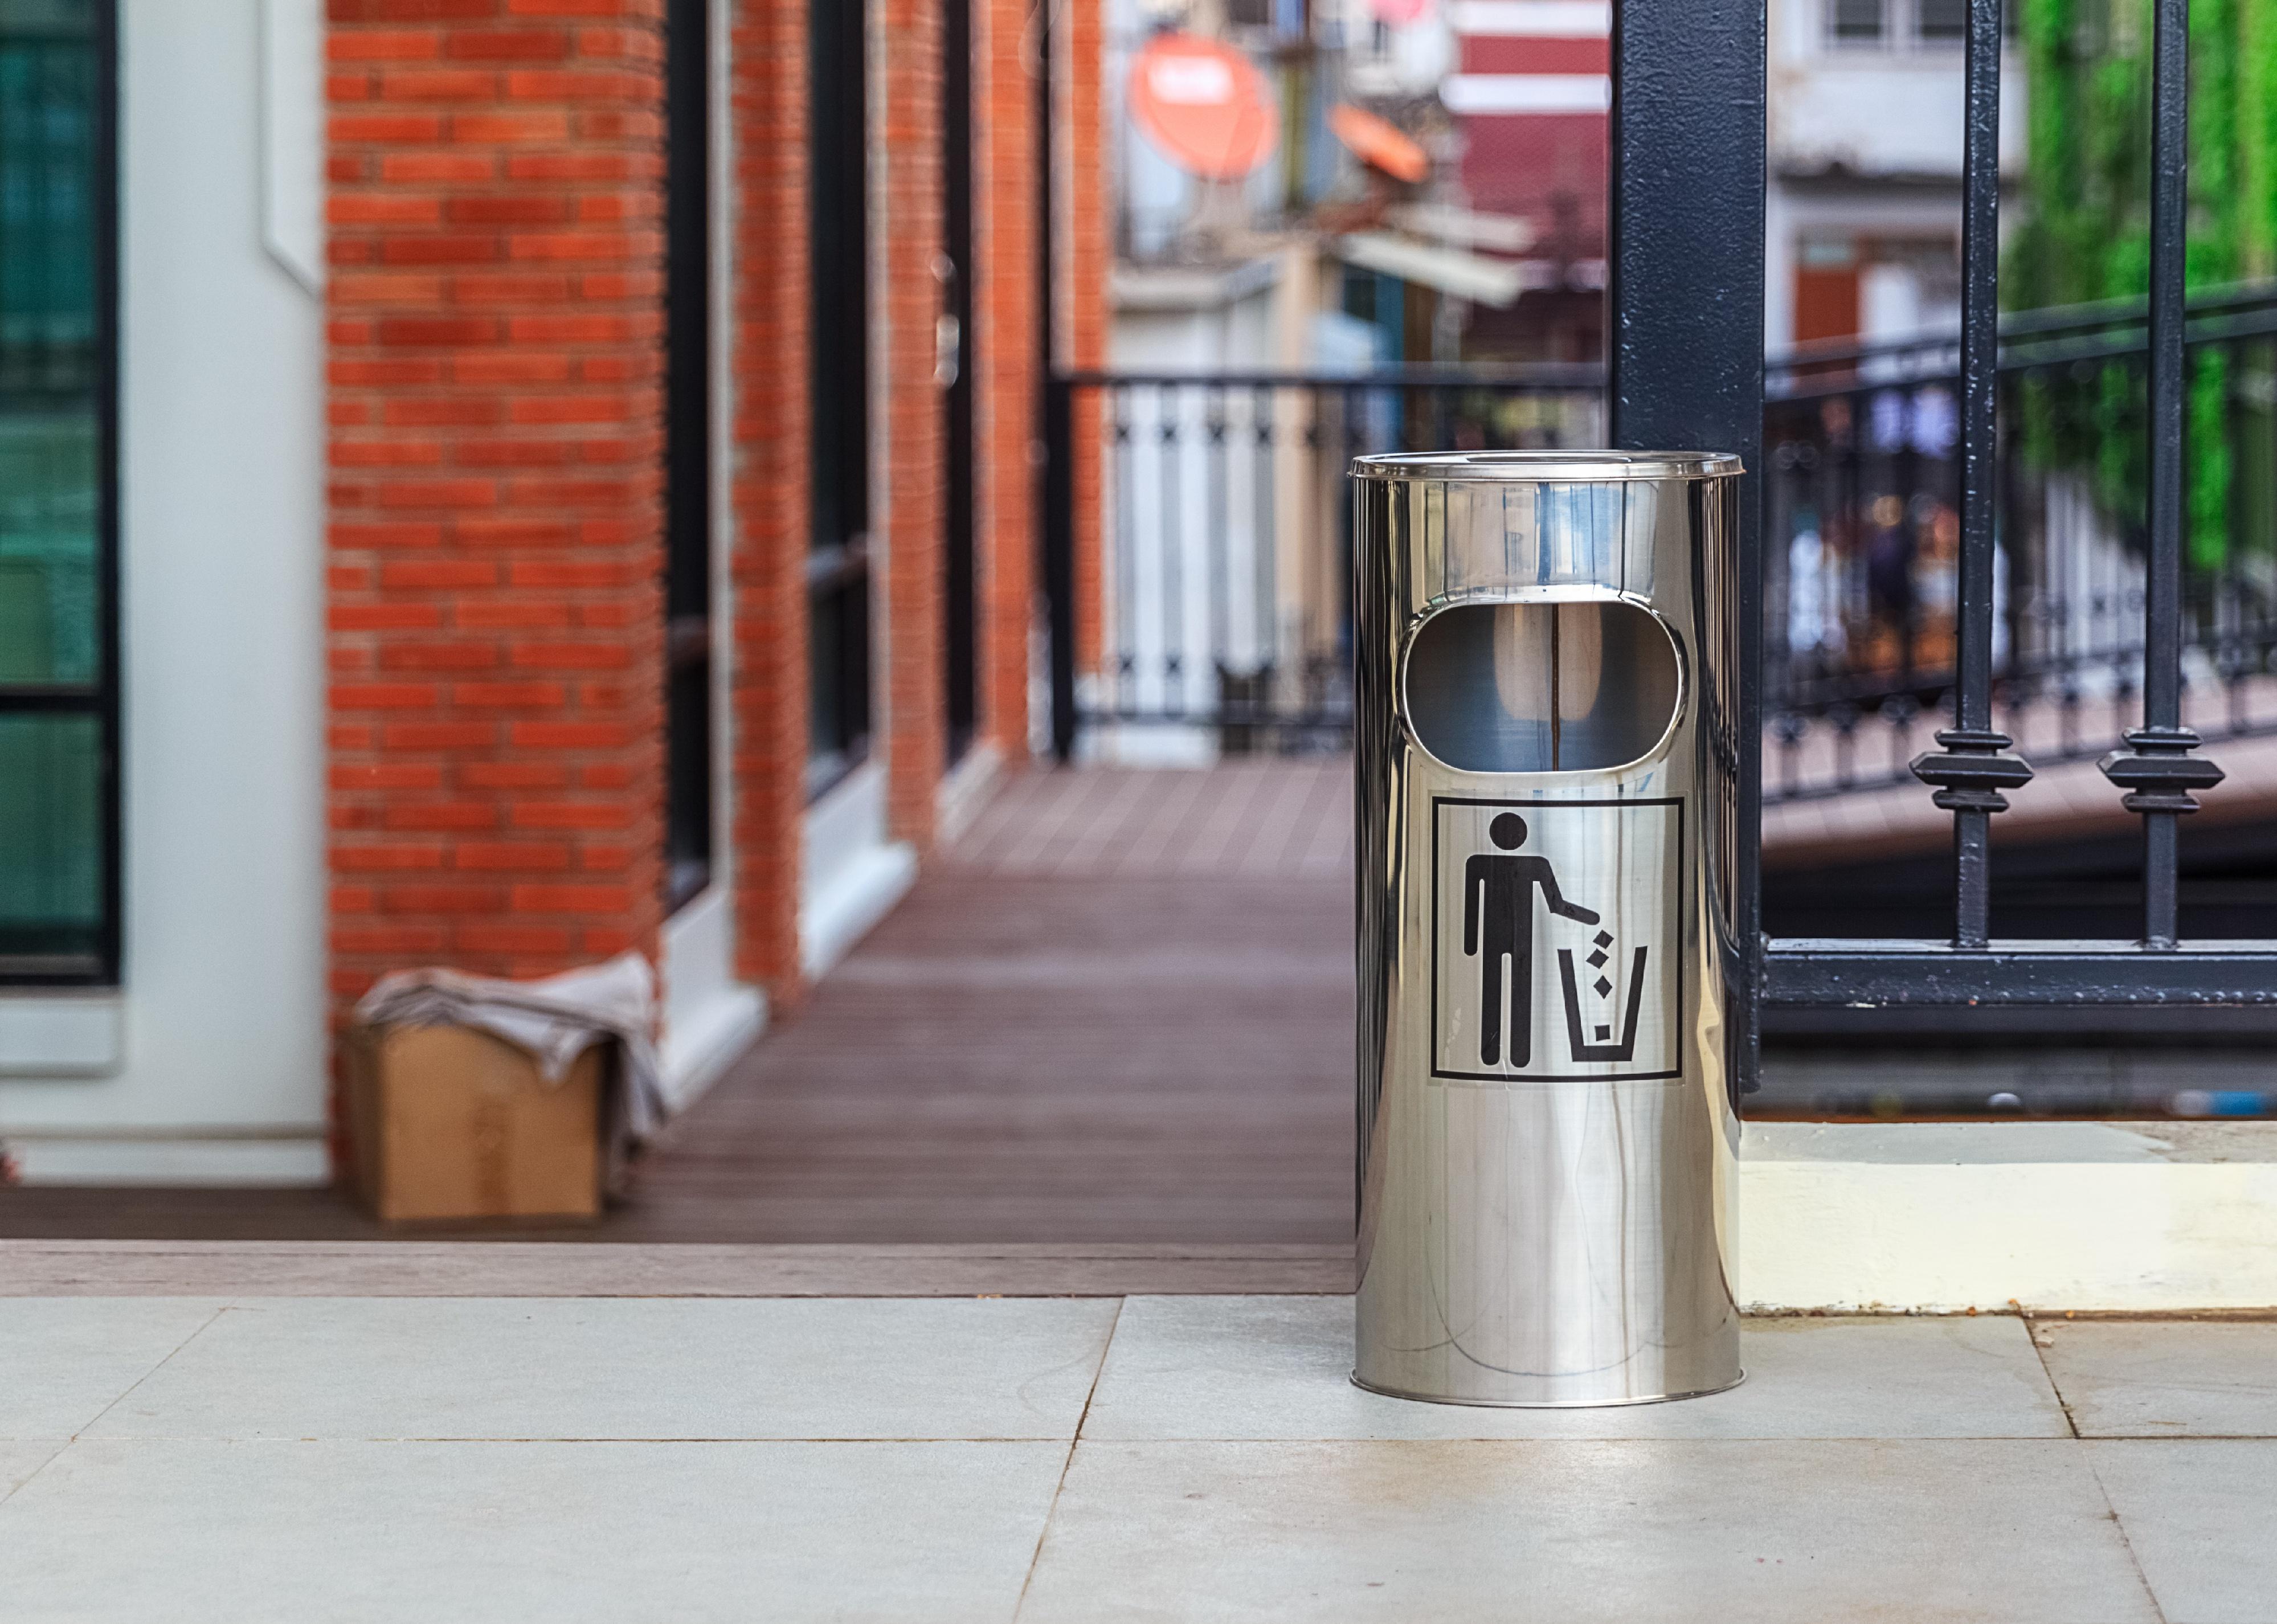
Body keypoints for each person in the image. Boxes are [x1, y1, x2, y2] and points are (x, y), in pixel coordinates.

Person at [1462, 812, 1598, 1068]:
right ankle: (1516, 1055)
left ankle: (1496, 1055)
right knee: (1518, 993)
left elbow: (1471, 905)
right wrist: (1588, 916)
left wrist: (1471, 945)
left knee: (1496, 992)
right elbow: (1558, 904)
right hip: (1521, 941)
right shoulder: (1532, 864)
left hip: (1501, 940)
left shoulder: (1480, 862)